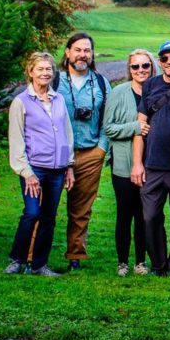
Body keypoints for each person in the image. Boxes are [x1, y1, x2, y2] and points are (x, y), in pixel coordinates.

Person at [6, 52, 74, 276]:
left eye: (48, 69)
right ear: (31, 72)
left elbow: (67, 134)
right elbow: (16, 139)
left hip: (57, 169)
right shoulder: (21, 101)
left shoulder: (59, 99)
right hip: (34, 168)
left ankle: (38, 265)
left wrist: (69, 165)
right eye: (40, 69)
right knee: (32, 212)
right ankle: (16, 259)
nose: (45, 73)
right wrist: (27, 173)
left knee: (48, 217)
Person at [132, 41, 170, 276]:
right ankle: (158, 264)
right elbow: (140, 125)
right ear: (160, 62)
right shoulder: (150, 86)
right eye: (165, 58)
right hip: (153, 168)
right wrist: (137, 163)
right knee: (150, 217)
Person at [53, 31, 111, 270]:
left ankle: (75, 256)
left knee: (81, 209)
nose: (82, 55)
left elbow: (109, 118)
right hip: (56, 153)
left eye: (87, 50)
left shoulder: (100, 82)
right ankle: (34, 255)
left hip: (89, 153)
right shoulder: (55, 80)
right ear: (67, 52)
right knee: (46, 206)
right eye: (77, 49)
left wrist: (101, 149)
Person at [102, 49, 154, 277]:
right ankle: (123, 261)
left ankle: (141, 261)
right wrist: (134, 127)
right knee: (125, 213)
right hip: (123, 165)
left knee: (145, 215)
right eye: (135, 67)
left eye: (145, 66)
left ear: (152, 67)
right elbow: (109, 128)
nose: (140, 70)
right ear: (129, 69)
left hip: (151, 164)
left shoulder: (157, 91)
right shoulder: (118, 93)